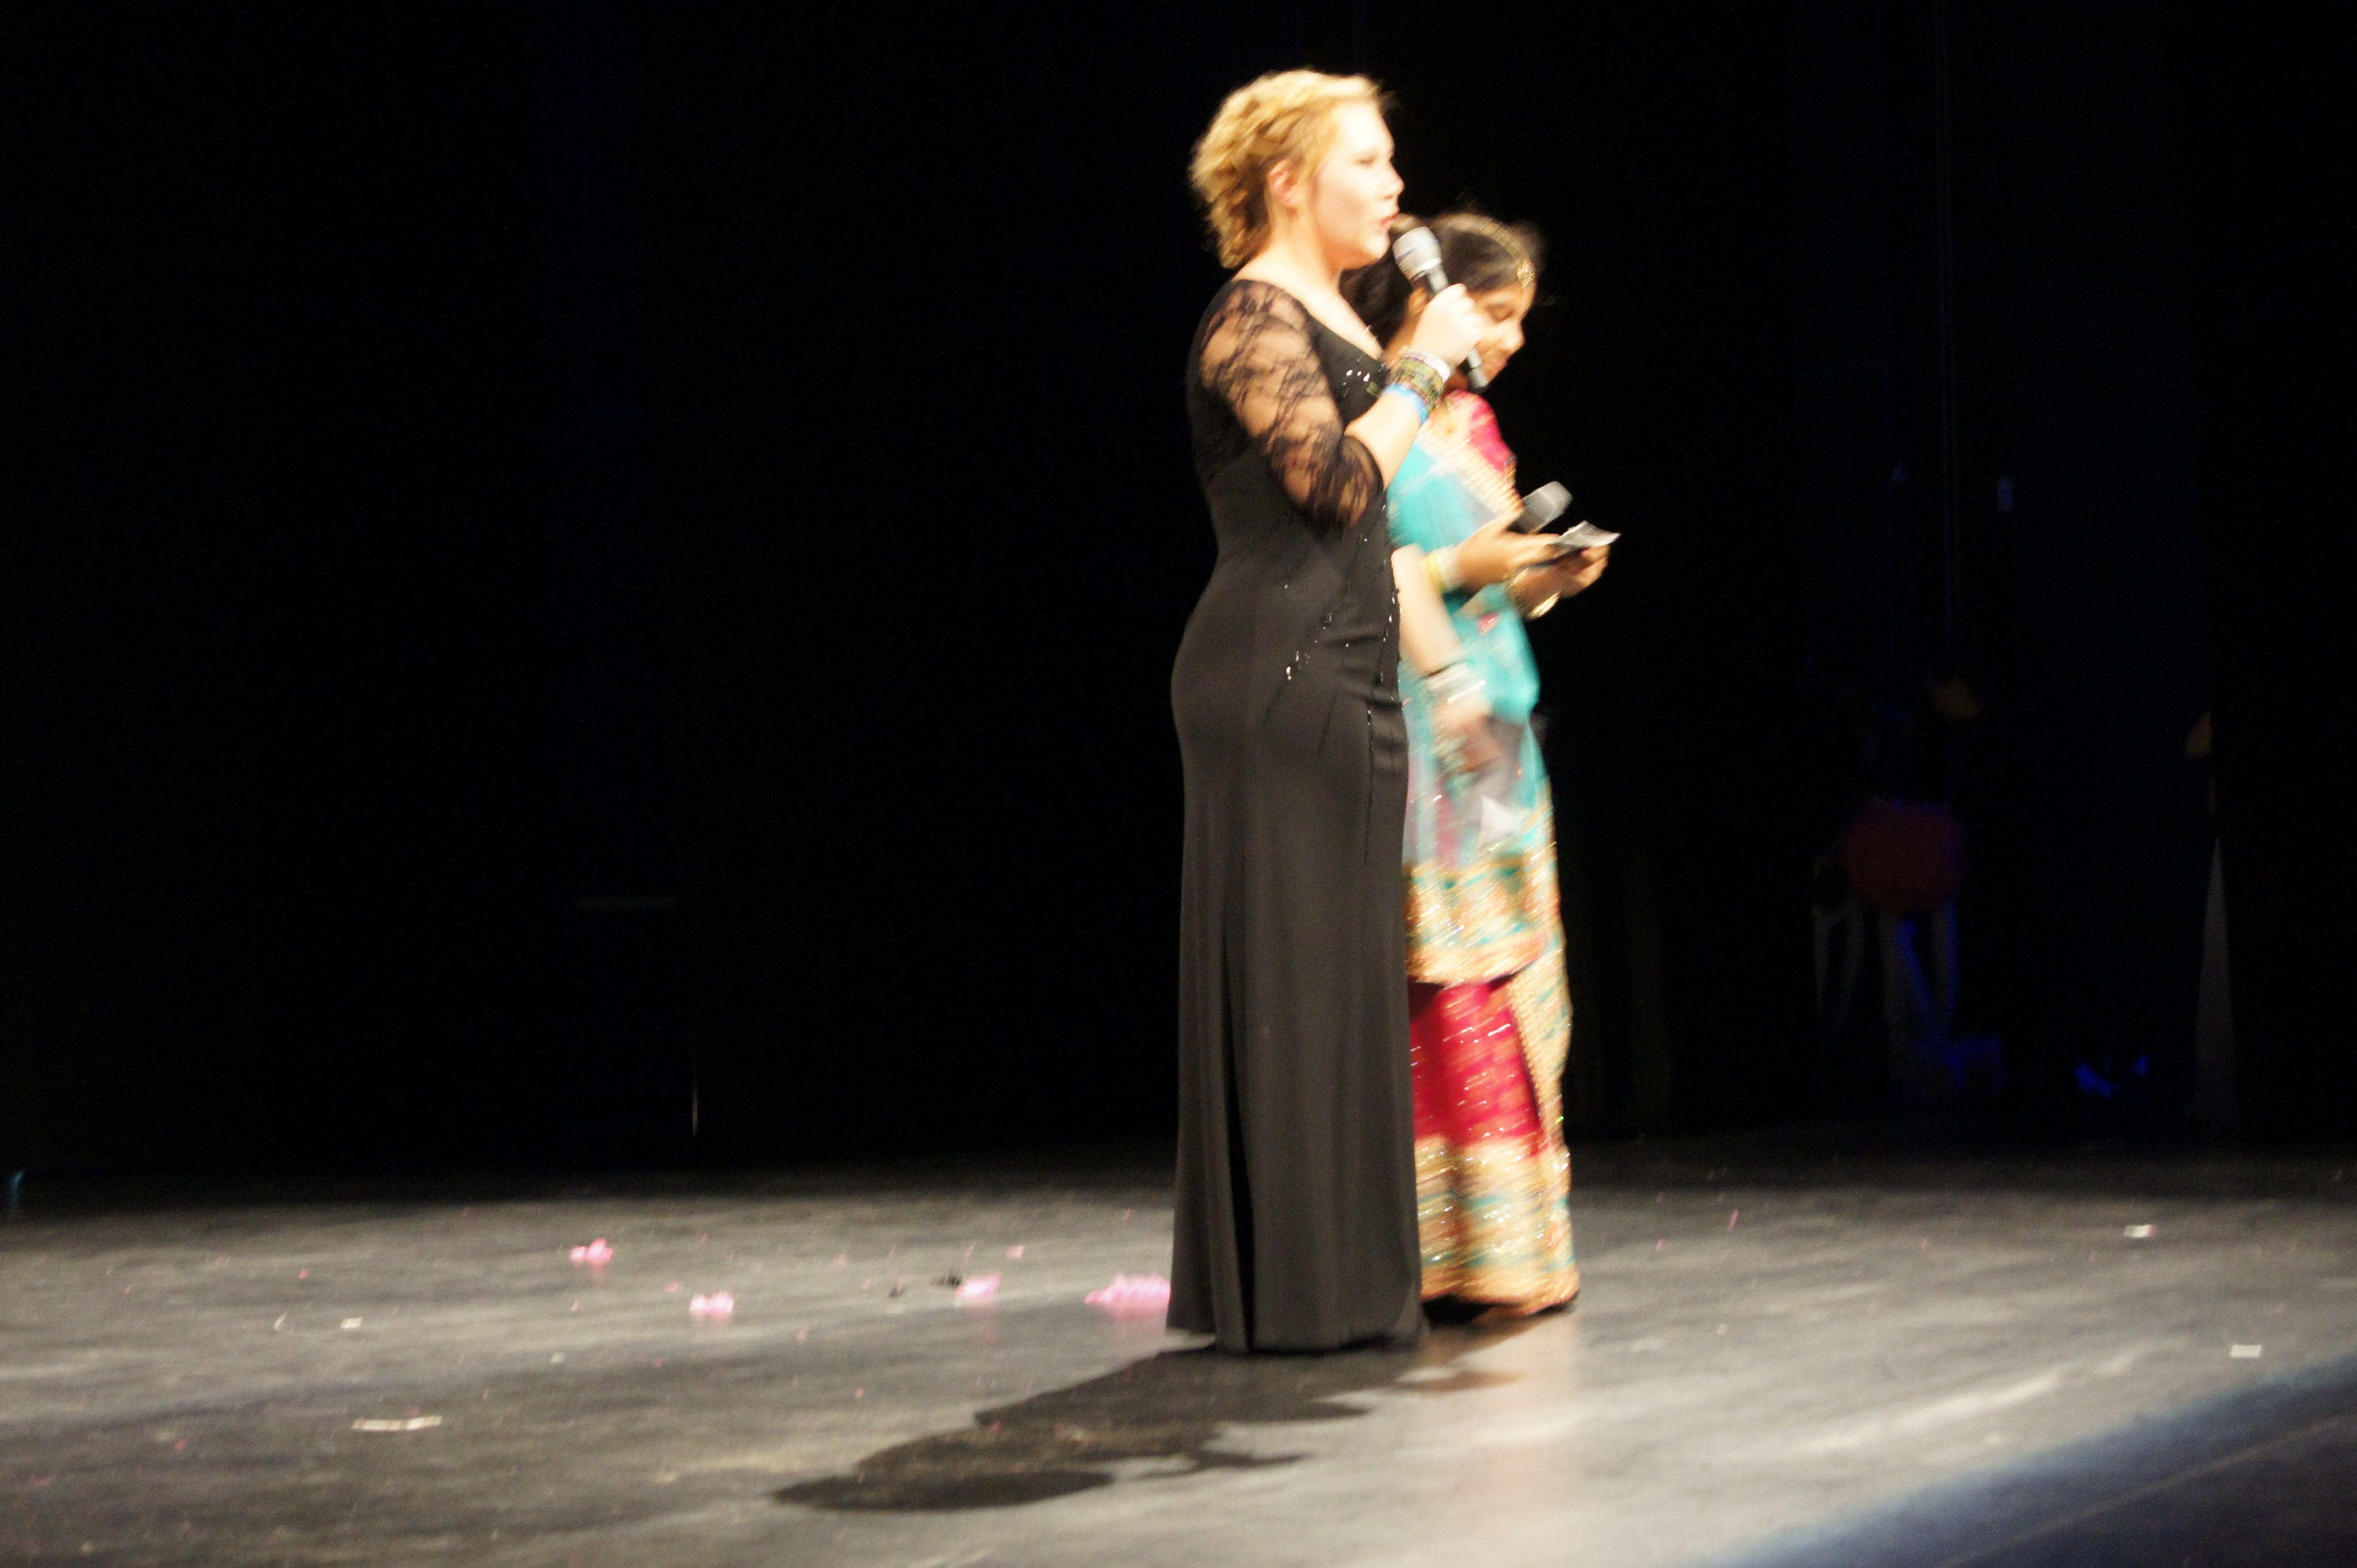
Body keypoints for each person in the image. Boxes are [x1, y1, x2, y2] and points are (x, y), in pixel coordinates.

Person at [1170, 73, 1489, 1352]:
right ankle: (1296, 1291)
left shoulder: (1336, 315)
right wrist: (1420, 363)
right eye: (1369, 161)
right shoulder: (1249, 314)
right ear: (1288, 180)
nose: (1395, 186)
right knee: (1295, 987)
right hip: (1275, 675)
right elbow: (1336, 487)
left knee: (1344, 985)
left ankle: (1347, 1282)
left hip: (1350, 667)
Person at [1341, 213, 1607, 1315]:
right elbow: (1376, 566)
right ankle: (1452, 1250)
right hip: (1423, 725)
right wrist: (1470, 569)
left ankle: (1517, 1244)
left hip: (1500, 725)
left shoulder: (1475, 422)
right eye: (1497, 314)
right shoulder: (1377, 414)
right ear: (1432, 300)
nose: (1512, 338)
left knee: (1513, 973)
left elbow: (1491, 575)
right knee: (1449, 985)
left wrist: (1546, 573)